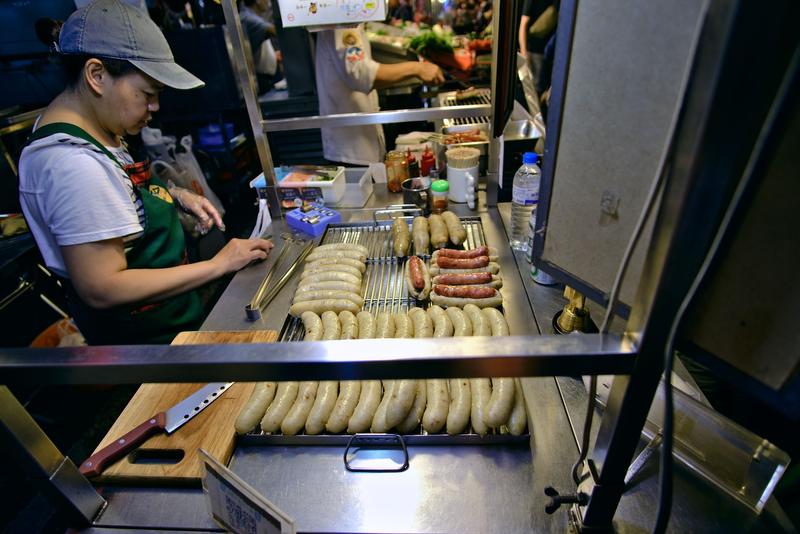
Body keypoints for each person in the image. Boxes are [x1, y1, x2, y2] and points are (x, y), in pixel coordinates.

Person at [18, 0, 274, 345]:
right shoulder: (72, 163)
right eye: (148, 94)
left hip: (175, 323)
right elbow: (102, 287)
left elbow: (117, 189)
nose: (154, 108)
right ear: (97, 75)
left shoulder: (96, 128)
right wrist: (219, 264)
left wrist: (175, 195)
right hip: (145, 347)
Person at [315, 24, 444, 166]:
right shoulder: (343, 19)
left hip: (358, 141)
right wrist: (417, 68)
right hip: (351, 149)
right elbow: (361, 73)